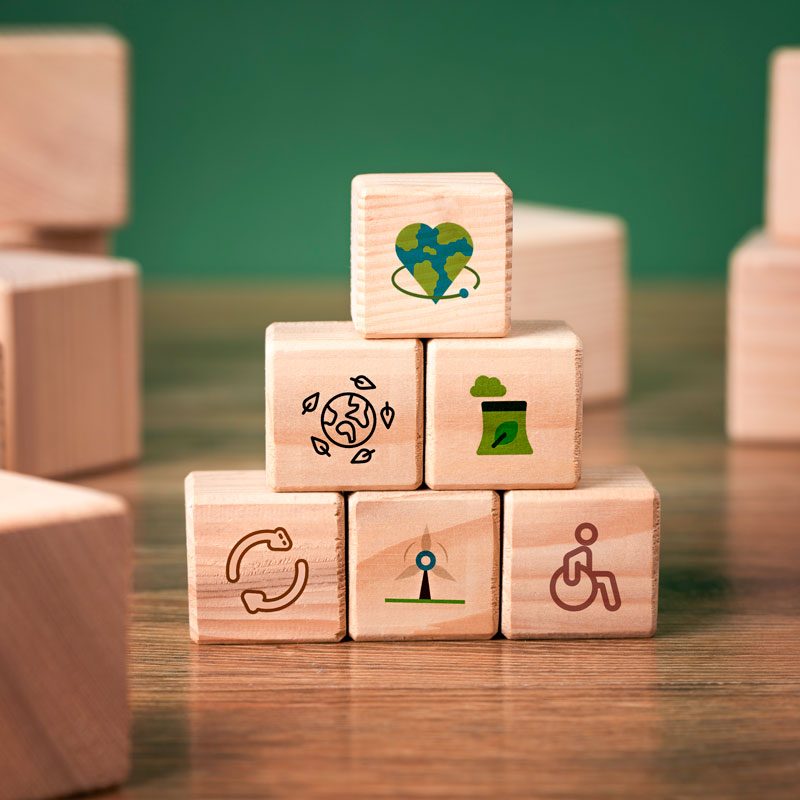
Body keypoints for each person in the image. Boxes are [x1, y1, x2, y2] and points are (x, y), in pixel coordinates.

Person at [549, 523, 621, 612]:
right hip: (581, 577)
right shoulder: (574, 555)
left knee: (606, 577)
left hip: (585, 578)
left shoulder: (583, 553)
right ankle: (610, 604)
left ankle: (611, 603)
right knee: (605, 578)